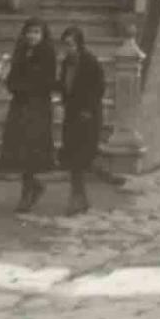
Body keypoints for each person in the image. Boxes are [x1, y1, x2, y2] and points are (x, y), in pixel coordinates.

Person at [0, 17, 58, 213]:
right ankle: (32, 187)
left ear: (43, 35)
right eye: (29, 32)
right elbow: (13, 79)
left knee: (32, 148)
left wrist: (22, 85)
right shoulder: (21, 52)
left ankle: (27, 192)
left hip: (37, 107)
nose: (32, 36)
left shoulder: (48, 54)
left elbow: (44, 82)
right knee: (19, 148)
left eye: (37, 32)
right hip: (20, 105)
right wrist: (13, 84)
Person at [57, 24, 105, 216]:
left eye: (70, 45)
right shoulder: (66, 63)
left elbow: (98, 89)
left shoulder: (90, 62)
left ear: (79, 44)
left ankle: (77, 199)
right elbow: (64, 86)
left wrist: (87, 110)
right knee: (73, 157)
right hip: (71, 115)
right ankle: (80, 198)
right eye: (65, 45)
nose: (67, 49)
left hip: (87, 116)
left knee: (79, 158)